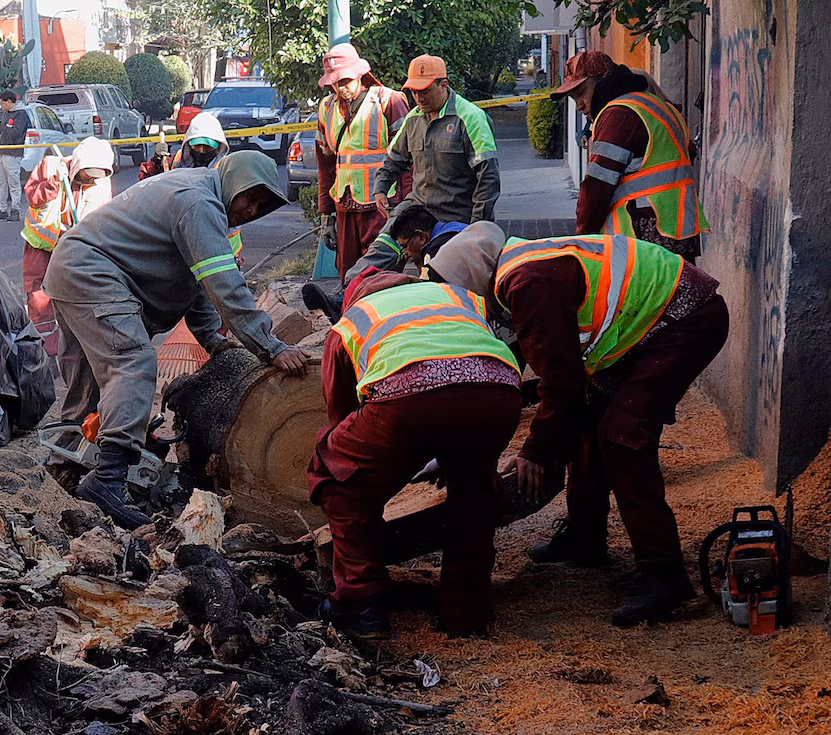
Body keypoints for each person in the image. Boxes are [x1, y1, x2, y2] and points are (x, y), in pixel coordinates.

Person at [430, 223, 730, 627]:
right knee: (590, 424)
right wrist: (462, 447)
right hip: (655, 323)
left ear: (470, 281)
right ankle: (586, 536)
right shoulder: (523, 267)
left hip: (683, 320)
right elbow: (519, 370)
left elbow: (562, 384)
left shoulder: (527, 281)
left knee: (622, 438)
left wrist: (535, 451)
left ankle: (664, 576)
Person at [43, 151, 307, 527]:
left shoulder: (197, 194)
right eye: (250, 197)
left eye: (261, 205)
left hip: (72, 268)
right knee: (132, 363)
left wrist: (212, 340)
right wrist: (271, 346)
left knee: (88, 386)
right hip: (90, 271)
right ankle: (107, 481)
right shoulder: (199, 203)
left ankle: (64, 470)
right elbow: (223, 284)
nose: (251, 210)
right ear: (232, 181)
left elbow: (194, 281)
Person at [309, 272, 522, 639]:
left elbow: (342, 419)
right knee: (473, 486)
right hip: (500, 391)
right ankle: (465, 610)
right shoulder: (455, 295)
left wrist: (385, 468)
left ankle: (361, 606)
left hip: (409, 395)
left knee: (335, 472)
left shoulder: (352, 321)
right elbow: (464, 369)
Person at [554, 51, 706, 261]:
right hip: (677, 234)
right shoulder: (658, 107)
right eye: (574, 98)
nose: (579, 105)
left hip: (644, 238)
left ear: (602, 80)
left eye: (581, 92)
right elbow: (687, 153)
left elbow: (596, 187)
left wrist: (582, 240)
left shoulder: (619, 114)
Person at [314, 43, 413, 278]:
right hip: (344, 205)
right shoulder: (326, 108)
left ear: (360, 74)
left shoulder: (389, 101)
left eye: (345, 81)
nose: (340, 88)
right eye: (334, 83)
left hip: (382, 206)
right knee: (347, 272)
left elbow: (410, 159)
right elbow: (325, 166)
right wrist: (326, 216)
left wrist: (409, 204)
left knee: (380, 273)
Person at [372, 55, 500, 226]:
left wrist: (477, 226)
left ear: (443, 85)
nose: (419, 98)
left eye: (425, 91)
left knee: (443, 252)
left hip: (458, 217)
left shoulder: (471, 118)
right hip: (419, 210)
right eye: (414, 92)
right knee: (383, 247)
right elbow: (394, 160)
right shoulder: (413, 119)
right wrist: (380, 189)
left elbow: (488, 178)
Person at [22, 136, 115, 356]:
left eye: (97, 177)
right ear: (79, 166)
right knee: (39, 298)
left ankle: (75, 347)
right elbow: (32, 197)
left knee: (77, 295)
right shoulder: (51, 167)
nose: (92, 181)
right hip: (42, 247)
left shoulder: (101, 183)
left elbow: (105, 218)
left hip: (76, 247)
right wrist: (51, 184)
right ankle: (45, 351)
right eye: (88, 175)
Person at [301, 202, 466, 321]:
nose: (405, 254)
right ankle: (348, 294)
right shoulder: (455, 230)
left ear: (421, 237)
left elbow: (430, 298)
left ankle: (351, 298)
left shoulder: (438, 253)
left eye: (405, 247)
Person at [138, 113, 228, 179]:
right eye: (197, 146)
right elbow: (145, 182)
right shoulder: (175, 161)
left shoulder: (226, 168)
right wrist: (156, 162)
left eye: (207, 147)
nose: (201, 151)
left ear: (219, 147)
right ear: (188, 144)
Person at [0, 90, 31, 222]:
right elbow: (4, 131)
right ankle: (1, 209)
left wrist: (0, 127)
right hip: (2, 151)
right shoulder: (6, 114)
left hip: (13, 152)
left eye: (2, 103)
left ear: (9, 101)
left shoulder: (21, 114)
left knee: (13, 182)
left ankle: (15, 209)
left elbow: (16, 133)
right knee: (0, 182)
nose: (1, 107)